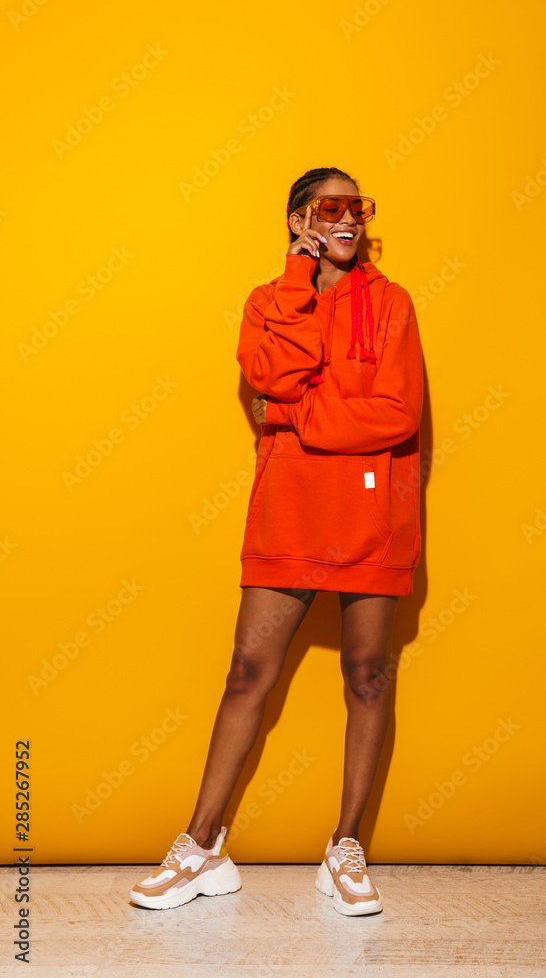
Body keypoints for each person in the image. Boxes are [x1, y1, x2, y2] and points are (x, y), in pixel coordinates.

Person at [130, 166, 424, 917]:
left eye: (357, 207)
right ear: (298, 221)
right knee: (245, 675)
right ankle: (201, 848)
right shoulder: (269, 302)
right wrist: (302, 281)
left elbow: (395, 414)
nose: (348, 218)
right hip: (290, 509)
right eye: (330, 208)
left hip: (370, 514)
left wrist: (294, 417)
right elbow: (271, 371)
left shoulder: (390, 305)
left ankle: (345, 846)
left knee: (366, 678)